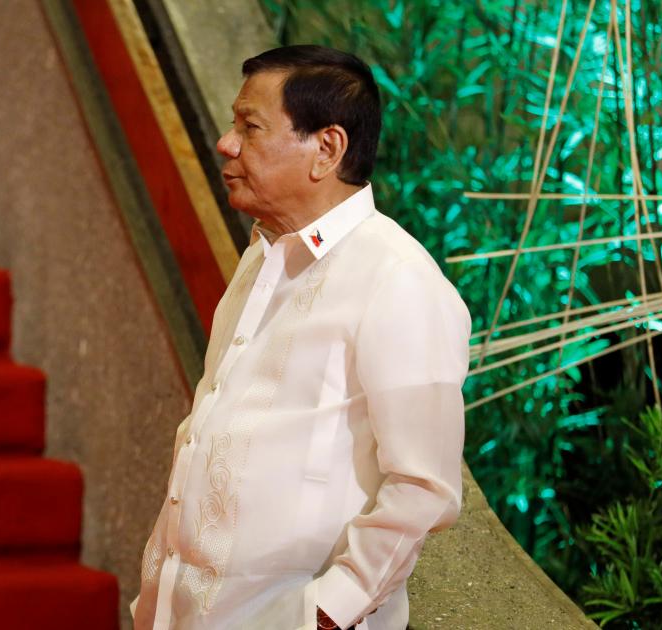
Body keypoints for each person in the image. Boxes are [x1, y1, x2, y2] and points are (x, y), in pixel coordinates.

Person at [130, 45, 471, 630]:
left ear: (327, 149)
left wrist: (326, 613)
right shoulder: (263, 257)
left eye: (250, 127)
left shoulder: (399, 280)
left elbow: (424, 486)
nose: (226, 143)